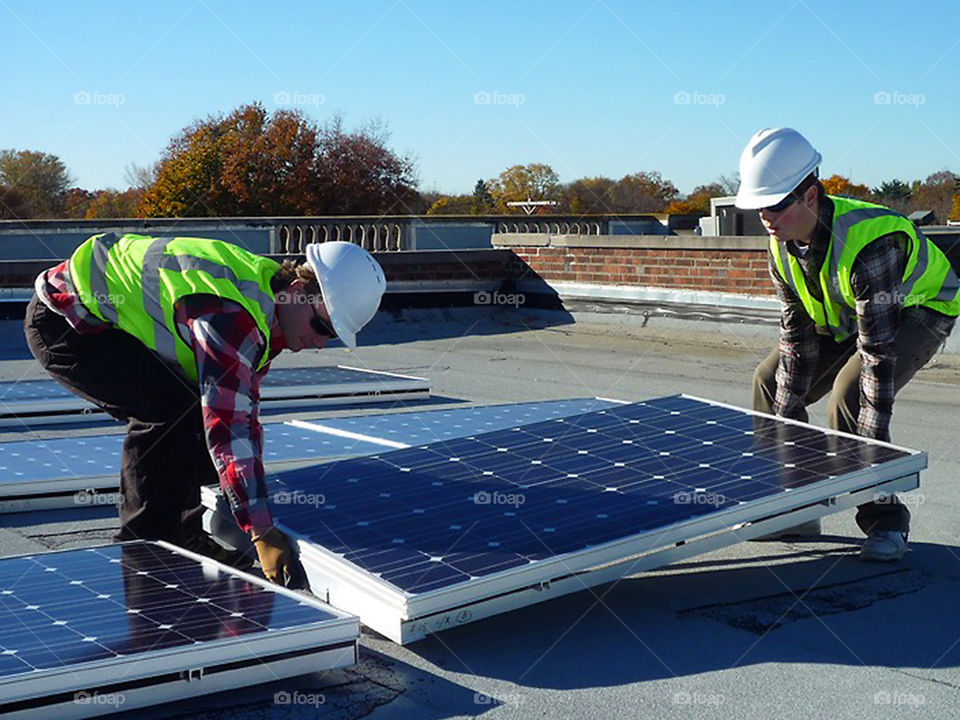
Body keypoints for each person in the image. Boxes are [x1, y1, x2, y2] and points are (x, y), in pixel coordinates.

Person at [24, 234, 386, 585]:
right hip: (66, 322)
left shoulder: (268, 305)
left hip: (111, 325)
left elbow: (242, 411)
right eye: (321, 326)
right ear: (295, 292)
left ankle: (181, 533)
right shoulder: (232, 315)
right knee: (166, 414)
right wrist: (260, 530)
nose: (321, 343)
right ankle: (144, 550)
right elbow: (229, 426)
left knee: (193, 425)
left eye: (332, 335)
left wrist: (247, 501)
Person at [738, 127, 959, 562]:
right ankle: (794, 509)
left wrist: (865, 456)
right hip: (843, 319)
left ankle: (885, 520)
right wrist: (787, 421)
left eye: (777, 204)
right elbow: (795, 337)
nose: (766, 216)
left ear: (811, 197)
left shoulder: (872, 239)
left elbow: (876, 355)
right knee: (768, 381)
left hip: (917, 311)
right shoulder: (779, 244)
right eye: (759, 206)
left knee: (850, 392)